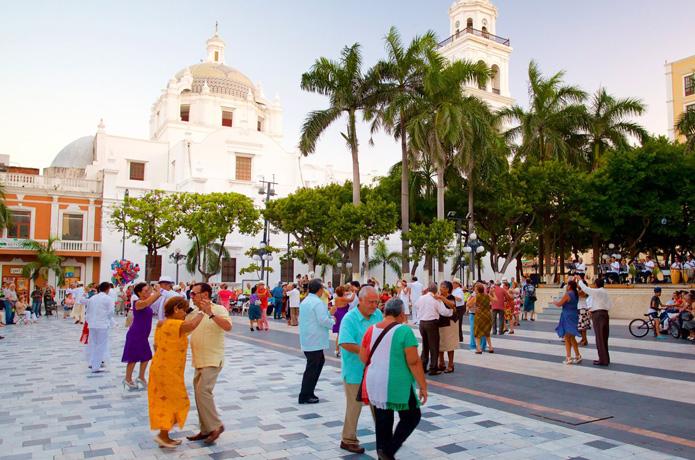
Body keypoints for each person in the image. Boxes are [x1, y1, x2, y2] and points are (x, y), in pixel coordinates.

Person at [359, 298, 426, 460]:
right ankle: (389, 450)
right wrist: (423, 386)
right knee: (412, 416)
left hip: (374, 380)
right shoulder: (404, 331)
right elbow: (414, 362)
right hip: (396, 382)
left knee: (383, 419)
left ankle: (382, 452)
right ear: (401, 314)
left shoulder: (371, 329)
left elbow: (363, 356)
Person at [148, 296, 207, 448]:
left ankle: (164, 435)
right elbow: (192, 325)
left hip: (161, 367)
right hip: (168, 370)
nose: (185, 314)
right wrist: (203, 311)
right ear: (176, 309)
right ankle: (162, 436)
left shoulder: (162, 323)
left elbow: (156, 346)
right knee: (178, 402)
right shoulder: (175, 324)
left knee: (166, 402)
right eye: (184, 310)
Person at [337, 285, 383, 454]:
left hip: (375, 370)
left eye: (376, 302)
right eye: (370, 302)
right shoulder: (349, 319)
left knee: (378, 404)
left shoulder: (377, 315)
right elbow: (344, 342)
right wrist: (364, 350)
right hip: (355, 370)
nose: (374, 305)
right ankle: (347, 439)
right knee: (354, 406)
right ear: (361, 300)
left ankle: (384, 436)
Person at [185, 282, 232, 444]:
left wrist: (210, 314)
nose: (191, 296)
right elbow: (186, 329)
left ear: (205, 295)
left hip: (212, 358)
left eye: (194, 293)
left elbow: (228, 327)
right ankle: (205, 429)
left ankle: (216, 426)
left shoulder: (219, 309)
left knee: (203, 391)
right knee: (199, 394)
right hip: (199, 359)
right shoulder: (195, 312)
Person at [298, 279, 335, 404]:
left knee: (316, 364)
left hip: (309, 338)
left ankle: (309, 392)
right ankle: (305, 394)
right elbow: (323, 320)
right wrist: (335, 325)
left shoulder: (306, 301)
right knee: (312, 367)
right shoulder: (317, 303)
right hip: (315, 339)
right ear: (319, 290)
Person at [121, 282, 161, 390]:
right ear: (139, 292)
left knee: (146, 356)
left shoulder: (146, 301)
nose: (148, 292)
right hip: (136, 334)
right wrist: (158, 291)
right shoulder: (137, 303)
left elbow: (152, 300)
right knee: (133, 357)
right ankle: (128, 379)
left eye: (148, 290)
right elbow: (149, 302)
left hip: (143, 335)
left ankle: (141, 376)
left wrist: (158, 293)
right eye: (145, 291)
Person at [413, 282, 452, 375]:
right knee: (434, 347)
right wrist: (452, 311)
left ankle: (423, 366)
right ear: (435, 291)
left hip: (422, 323)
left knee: (425, 346)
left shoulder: (421, 298)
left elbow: (416, 305)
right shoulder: (436, 299)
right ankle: (433, 368)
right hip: (432, 323)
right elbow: (444, 312)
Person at [576, 276, 612, 366]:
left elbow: (586, 289)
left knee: (599, 338)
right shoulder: (605, 292)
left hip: (598, 315)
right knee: (604, 337)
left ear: (596, 284)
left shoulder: (598, 291)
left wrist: (580, 280)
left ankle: (602, 360)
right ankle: (606, 358)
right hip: (605, 314)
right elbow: (610, 304)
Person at [85, 282, 115, 373]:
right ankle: (96, 366)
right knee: (101, 345)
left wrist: (89, 321)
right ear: (107, 289)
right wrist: (108, 321)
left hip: (92, 324)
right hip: (102, 324)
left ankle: (92, 362)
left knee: (93, 344)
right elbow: (110, 312)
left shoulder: (92, 298)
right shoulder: (108, 299)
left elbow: (88, 311)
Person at [553, 280, 582, 365]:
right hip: (574, 315)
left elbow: (559, 304)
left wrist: (555, 302)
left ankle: (568, 357)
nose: (566, 286)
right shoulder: (576, 294)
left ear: (569, 286)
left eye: (567, 285)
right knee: (572, 337)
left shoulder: (568, 294)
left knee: (567, 337)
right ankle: (577, 355)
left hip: (567, 316)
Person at [437, 281, 458, 373]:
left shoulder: (450, 297)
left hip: (450, 323)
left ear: (448, 289)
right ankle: (441, 362)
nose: (440, 288)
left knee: (450, 344)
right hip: (440, 322)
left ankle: (450, 364)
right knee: (440, 344)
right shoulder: (438, 296)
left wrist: (442, 298)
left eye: (443, 287)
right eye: (440, 286)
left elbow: (452, 305)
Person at [471, 283, 494, 354]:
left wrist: (475, 307)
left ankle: (479, 349)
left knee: (478, 333)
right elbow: (494, 300)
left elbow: (468, 304)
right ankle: (490, 348)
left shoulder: (476, 297)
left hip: (479, 316)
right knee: (487, 333)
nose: (474, 289)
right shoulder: (487, 296)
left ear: (477, 290)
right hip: (487, 316)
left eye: (475, 288)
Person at [332, 285, 355, 357]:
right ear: (342, 292)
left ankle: (337, 349)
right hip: (342, 315)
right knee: (342, 333)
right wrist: (354, 292)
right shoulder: (343, 299)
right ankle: (340, 349)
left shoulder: (337, 298)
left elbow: (346, 294)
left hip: (337, 314)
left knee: (339, 333)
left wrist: (348, 292)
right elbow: (351, 299)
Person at [577, 280, 591, 347]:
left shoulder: (584, 291)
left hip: (583, 309)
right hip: (580, 309)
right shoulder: (580, 291)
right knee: (581, 326)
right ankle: (583, 339)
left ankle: (585, 340)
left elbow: (578, 294)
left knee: (583, 327)